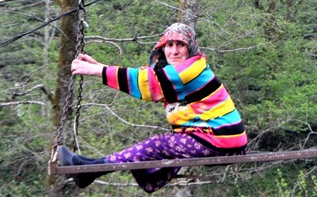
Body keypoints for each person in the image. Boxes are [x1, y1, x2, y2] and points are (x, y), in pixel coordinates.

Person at [56, 23, 247, 192]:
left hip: (220, 139)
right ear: (162, 49)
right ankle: (147, 178)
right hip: (218, 138)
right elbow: (148, 77)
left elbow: (147, 82)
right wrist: (102, 66)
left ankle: (91, 170)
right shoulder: (182, 71)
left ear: (190, 49)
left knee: (159, 144)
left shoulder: (189, 71)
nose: (174, 51)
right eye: (169, 45)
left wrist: (99, 71)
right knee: (165, 147)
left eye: (181, 45)